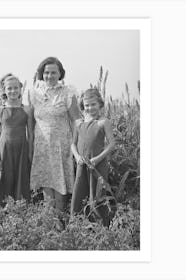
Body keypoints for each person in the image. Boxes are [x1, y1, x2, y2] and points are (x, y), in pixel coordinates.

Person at [29, 57, 80, 211]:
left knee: (61, 184)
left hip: (62, 145)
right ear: (41, 74)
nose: (49, 76)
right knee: (46, 182)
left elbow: (76, 120)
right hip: (42, 145)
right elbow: (31, 122)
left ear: (60, 74)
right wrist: (31, 146)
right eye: (46, 73)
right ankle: (50, 222)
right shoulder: (33, 94)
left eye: (53, 72)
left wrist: (75, 144)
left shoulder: (67, 92)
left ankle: (61, 220)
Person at [70, 88, 115, 221]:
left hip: (98, 165)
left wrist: (97, 158)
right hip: (82, 165)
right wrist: (77, 157)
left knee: (97, 192)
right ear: (83, 106)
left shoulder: (103, 122)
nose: (90, 108)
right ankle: (78, 222)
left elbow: (112, 144)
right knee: (80, 190)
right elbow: (73, 144)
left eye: (93, 104)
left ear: (100, 104)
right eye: (87, 105)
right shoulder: (78, 123)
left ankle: (100, 223)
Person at [0, 74, 33, 206]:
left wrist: (31, 154)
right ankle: (4, 213)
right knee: (6, 180)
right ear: (4, 90)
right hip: (5, 151)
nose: (13, 91)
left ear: (21, 88)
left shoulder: (27, 110)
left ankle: (21, 211)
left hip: (22, 150)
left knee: (22, 180)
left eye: (16, 88)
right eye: (9, 88)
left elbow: (31, 134)